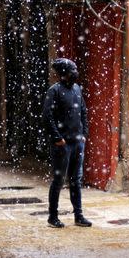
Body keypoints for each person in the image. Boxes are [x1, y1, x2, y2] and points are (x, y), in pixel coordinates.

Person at [42, 58, 93, 228]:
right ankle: (52, 216)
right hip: (62, 145)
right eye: (72, 69)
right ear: (63, 73)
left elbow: (83, 112)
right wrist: (58, 138)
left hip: (78, 142)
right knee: (58, 180)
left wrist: (84, 134)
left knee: (76, 180)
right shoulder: (54, 91)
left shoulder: (77, 89)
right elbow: (47, 117)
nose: (75, 72)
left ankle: (78, 215)